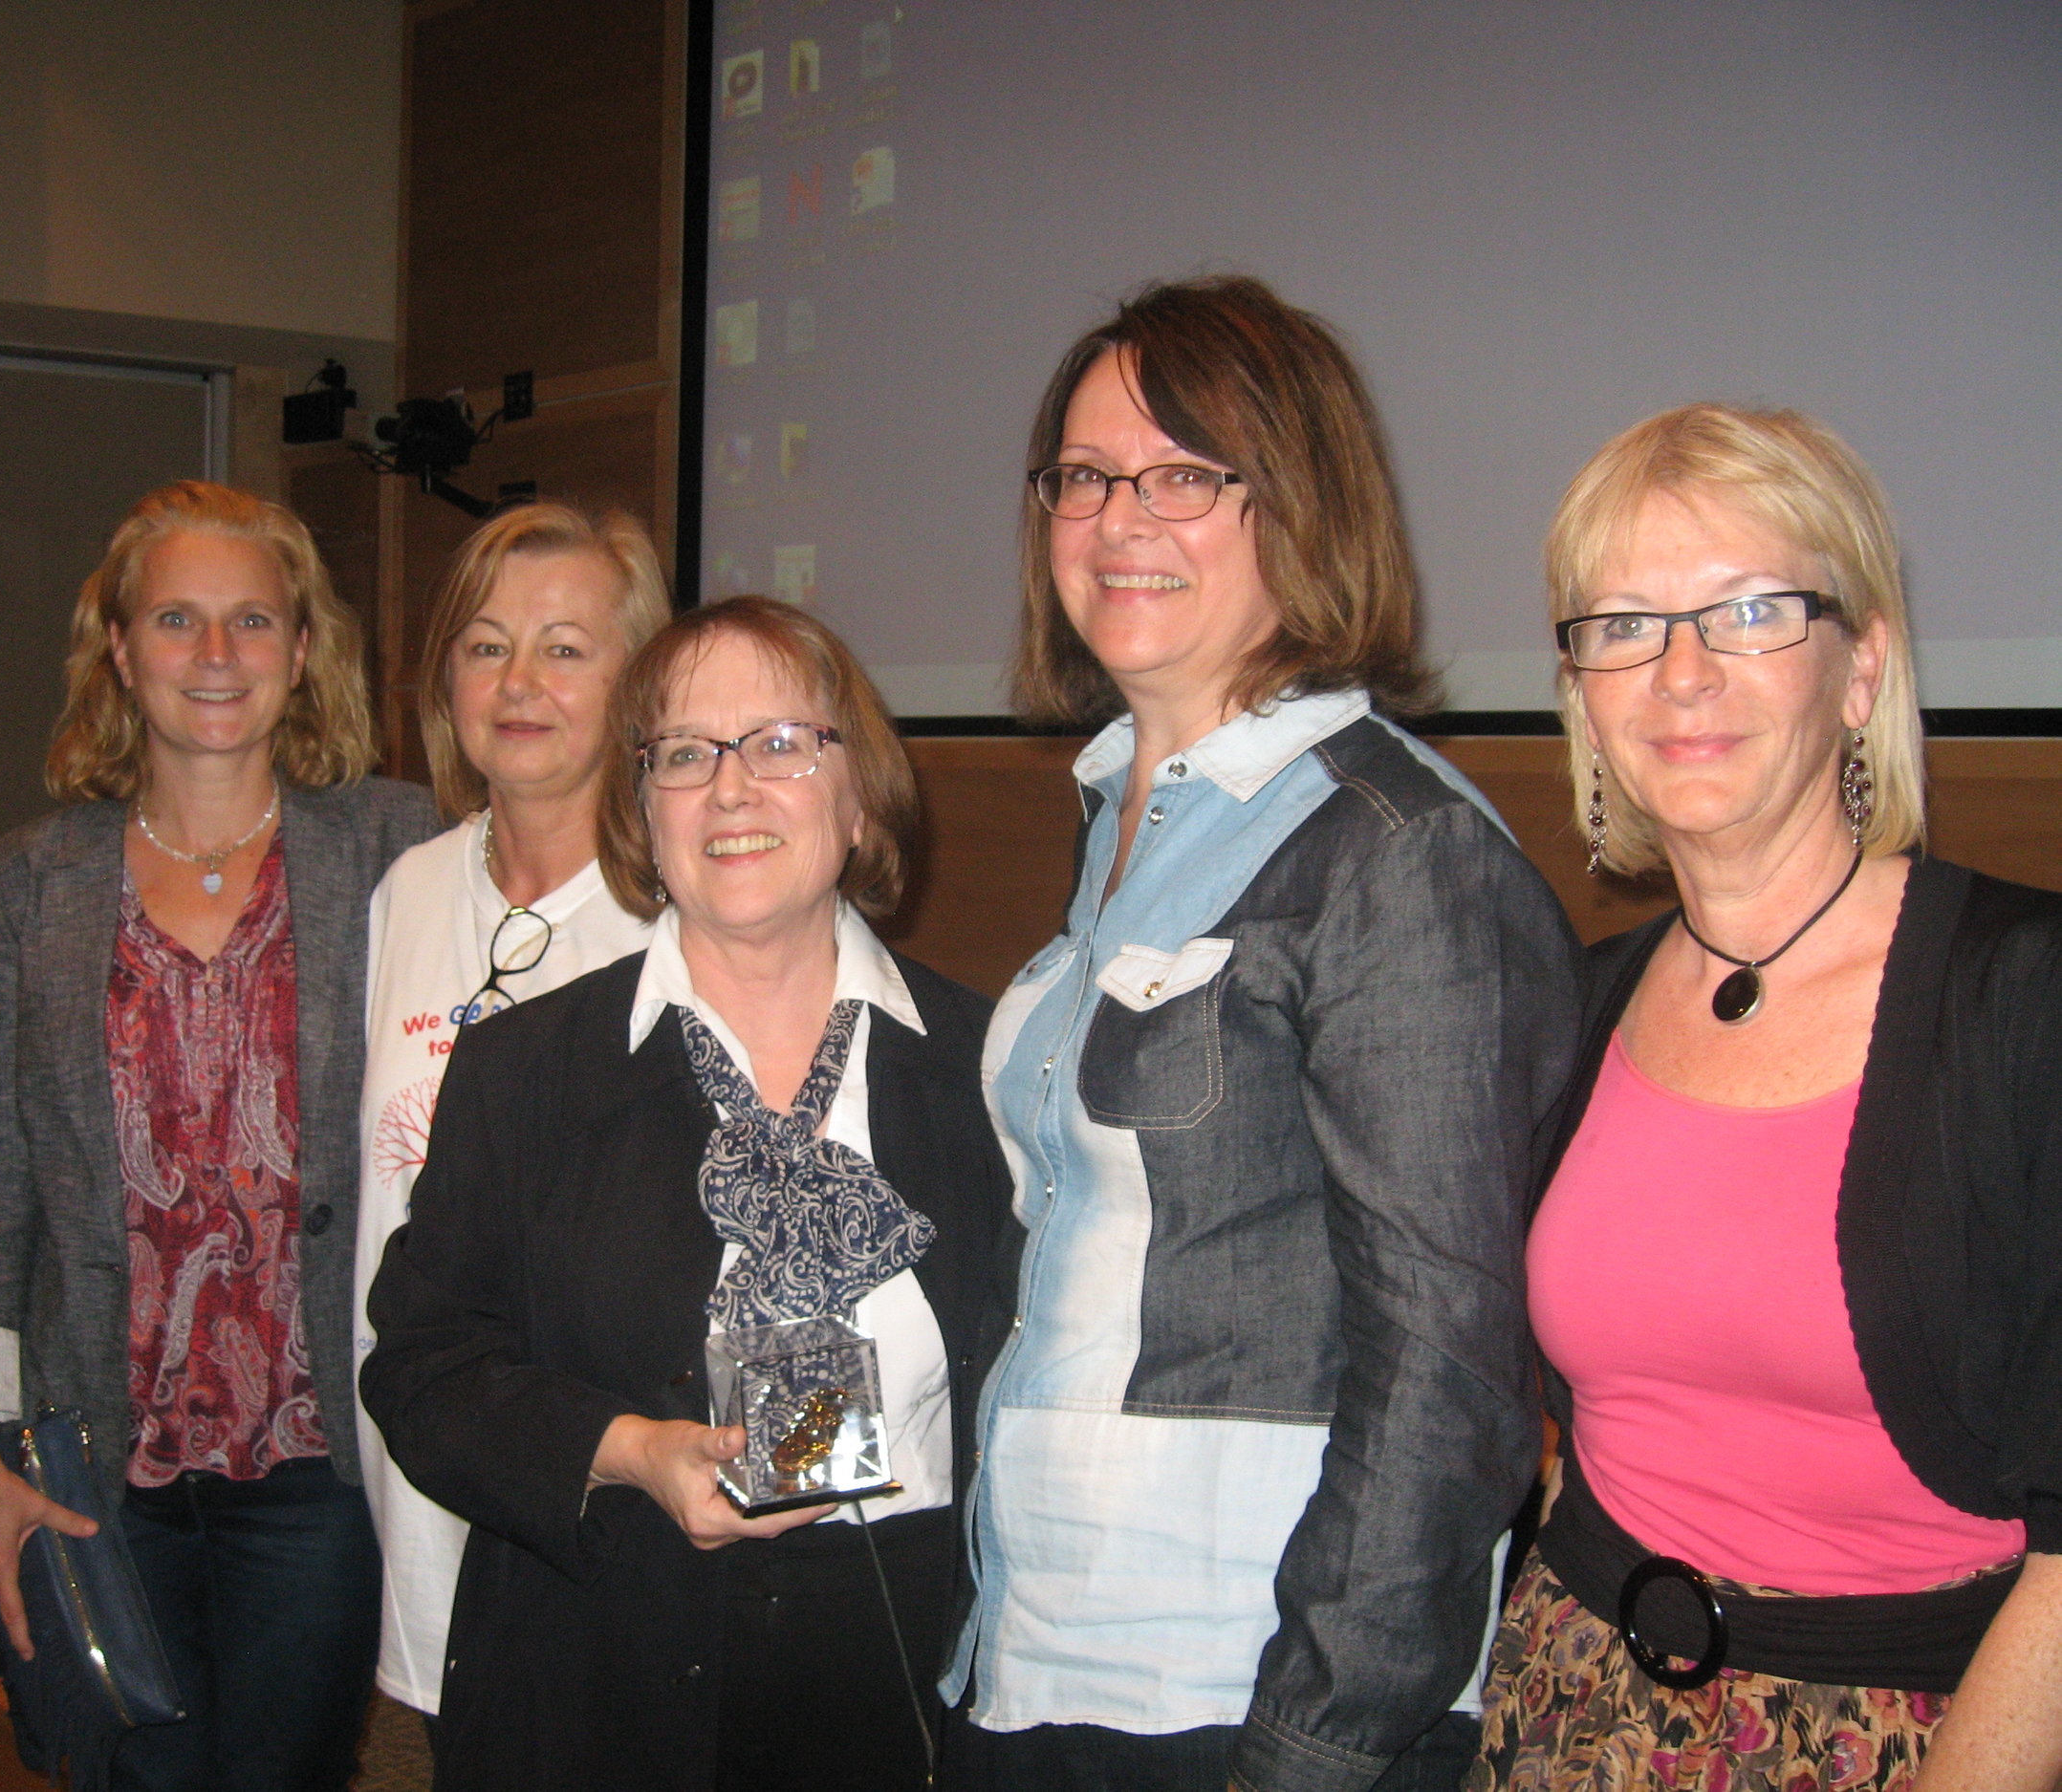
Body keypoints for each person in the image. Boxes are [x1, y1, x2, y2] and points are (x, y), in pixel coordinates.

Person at [940, 274, 1583, 1792]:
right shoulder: (1122, 809)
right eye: (1085, 477)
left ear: (1298, 501)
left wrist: (1316, 1738)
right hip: (1045, 1634)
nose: (1119, 519)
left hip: (1240, 1682)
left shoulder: (1396, 851)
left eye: (1183, 475)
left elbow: (1452, 1373)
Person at [1470, 404, 2062, 1791]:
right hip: (1572, 1707)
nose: (1680, 672)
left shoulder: (2028, 996)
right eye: (1621, 623)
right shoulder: (1582, 997)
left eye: (1747, 611)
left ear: (1861, 671)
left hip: (1907, 1736)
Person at [359, 596, 1019, 1792]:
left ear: (858, 791)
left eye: (779, 743)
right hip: (598, 1663)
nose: (730, 789)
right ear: (642, 810)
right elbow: (421, 1366)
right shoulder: (527, 1068)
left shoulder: (986, 1068)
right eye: (682, 754)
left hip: (902, 1665)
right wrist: (631, 1451)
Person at [0, 481, 440, 1791]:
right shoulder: (22, 882)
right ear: (119, 648)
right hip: (97, 1448)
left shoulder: (397, 848)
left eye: (254, 619)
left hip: (318, 1466)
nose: (217, 656)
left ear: (303, 650)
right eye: (177, 618)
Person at [355, 501, 669, 1725]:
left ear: (639, 678)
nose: (519, 681)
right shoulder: (409, 890)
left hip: (599, 1475)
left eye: (565, 647)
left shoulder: (676, 913)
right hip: (424, 1444)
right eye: (486, 645)